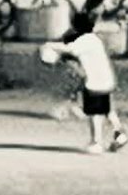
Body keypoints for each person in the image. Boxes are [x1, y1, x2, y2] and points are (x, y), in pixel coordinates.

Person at [42, 13, 123, 153]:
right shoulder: (94, 39)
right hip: (106, 79)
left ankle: (97, 142)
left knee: (95, 113)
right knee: (107, 109)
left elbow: (70, 49)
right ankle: (119, 134)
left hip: (95, 82)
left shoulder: (84, 40)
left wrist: (49, 45)